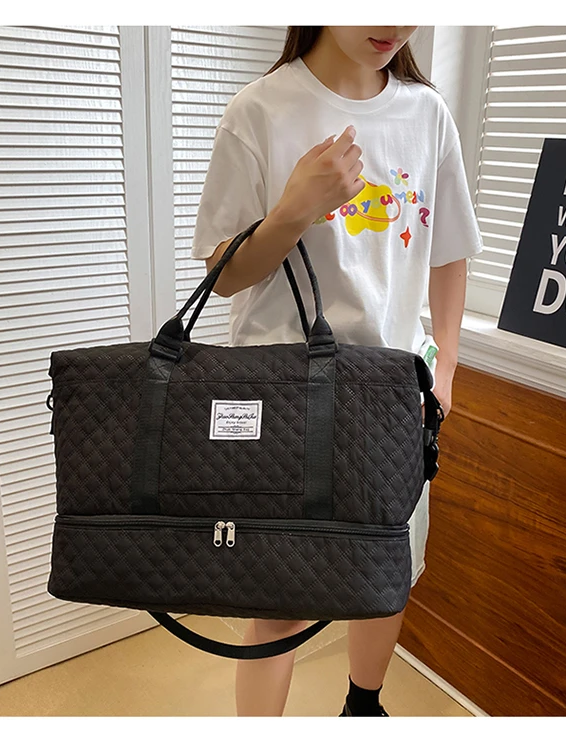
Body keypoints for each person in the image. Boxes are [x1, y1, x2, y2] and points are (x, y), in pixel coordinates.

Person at [190, 26, 484, 717]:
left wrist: (444, 369)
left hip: (393, 397)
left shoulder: (427, 114)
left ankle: (363, 706)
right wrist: (293, 210)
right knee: (277, 598)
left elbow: (448, 252)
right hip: (282, 401)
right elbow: (222, 277)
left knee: (384, 571)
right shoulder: (259, 111)